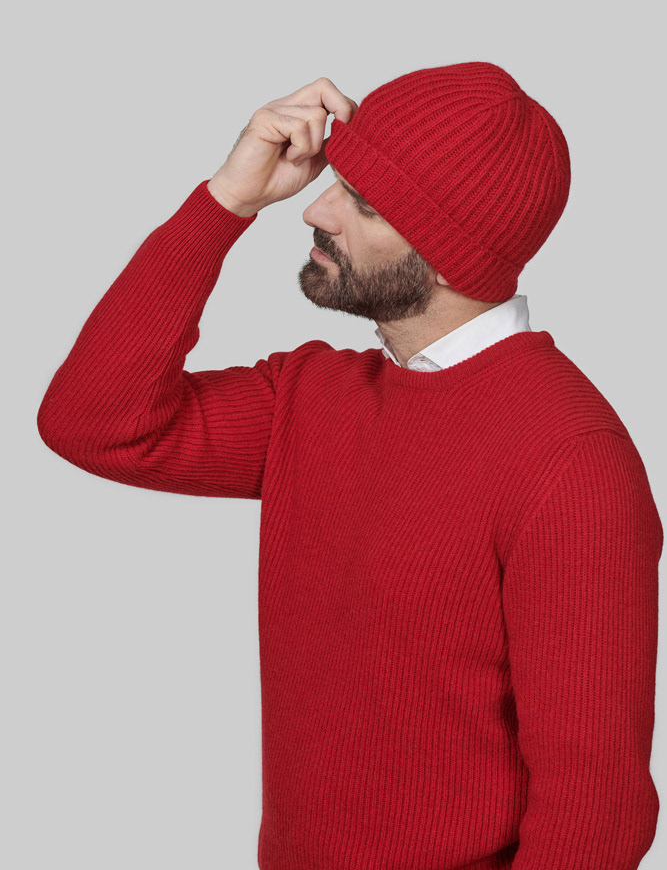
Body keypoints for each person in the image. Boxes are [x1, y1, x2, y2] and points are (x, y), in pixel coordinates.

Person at [37, 63, 663, 870]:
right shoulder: (309, 396)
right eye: (339, 179)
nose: (314, 208)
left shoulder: (567, 461)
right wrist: (225, 201)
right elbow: (94, 424)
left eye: (363, 203)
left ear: (448, 256)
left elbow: (595, 809)